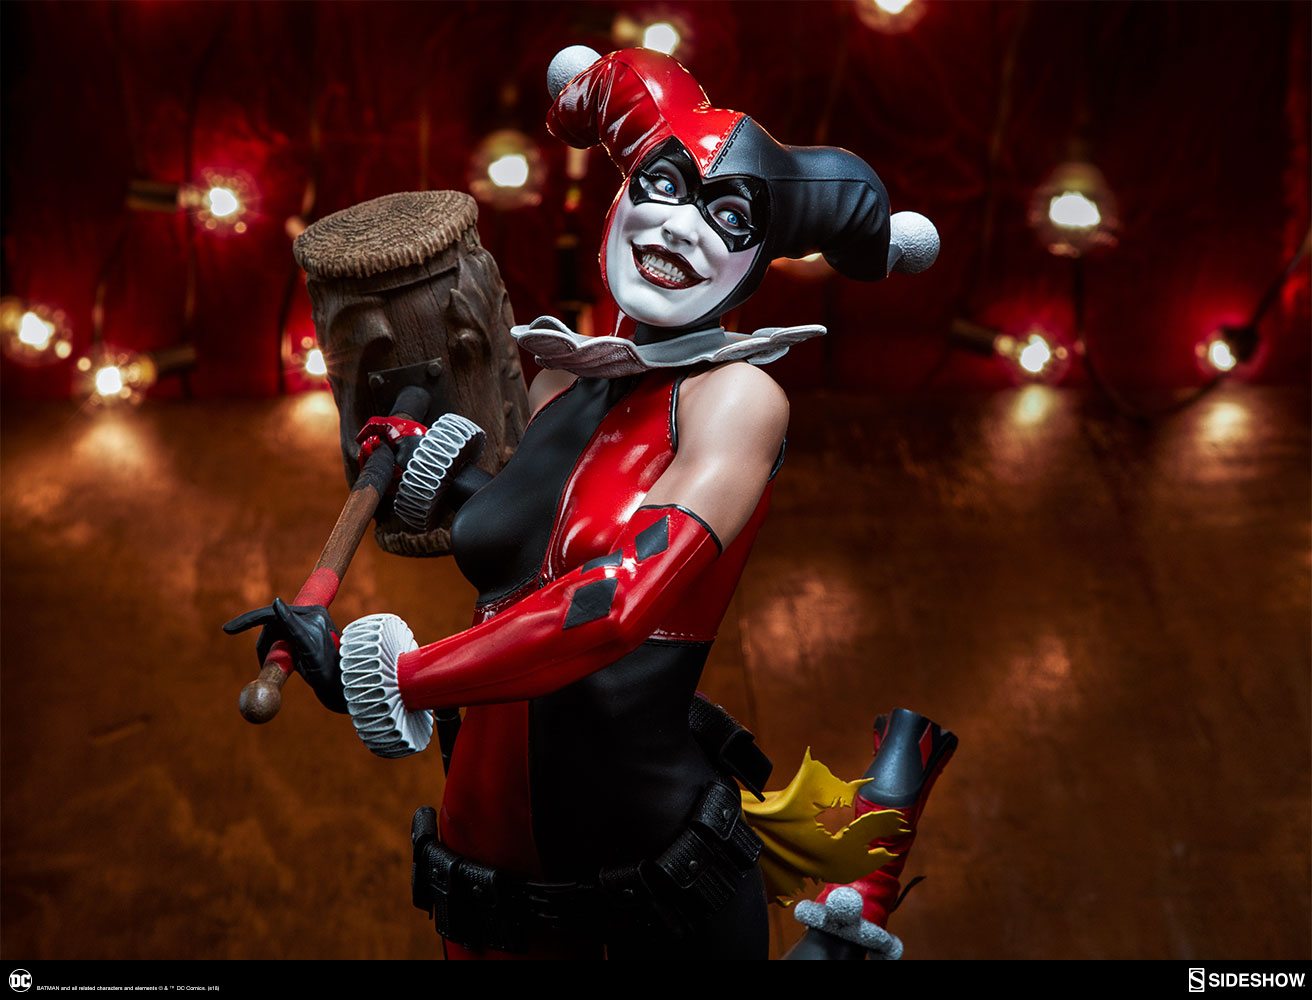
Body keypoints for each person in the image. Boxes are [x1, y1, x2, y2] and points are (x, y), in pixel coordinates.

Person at [227, 45, 943, 960]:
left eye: (729, 217)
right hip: (482, 890)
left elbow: (614, 601)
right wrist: (432, 468)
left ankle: (857, 897)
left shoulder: (735, 400)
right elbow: (530, 555)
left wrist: (397, 678)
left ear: (757, 262)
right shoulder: (561, 381)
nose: (680, 225)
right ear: (620, 198)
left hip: (644, 897)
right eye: (663, 184)